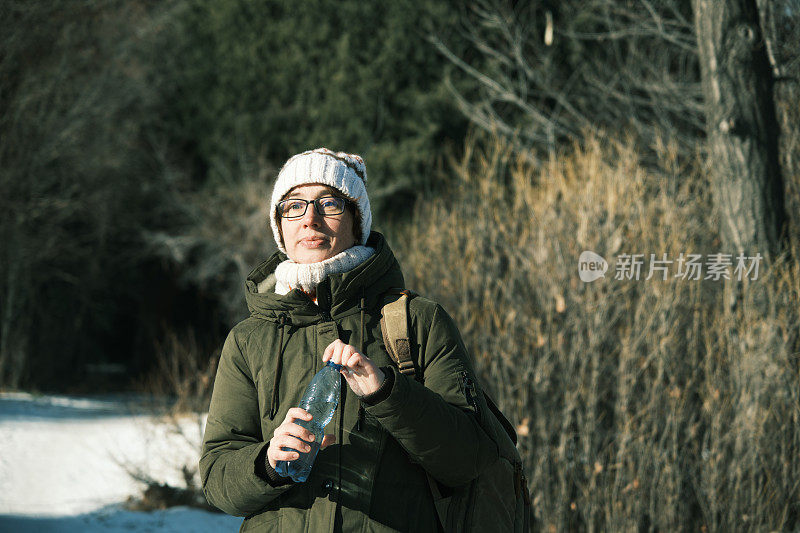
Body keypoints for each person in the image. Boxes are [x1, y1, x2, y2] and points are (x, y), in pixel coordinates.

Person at [200, 148, 499, 532]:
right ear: (280, 226)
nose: (309, 219)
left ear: (357, 221)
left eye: (329, 203)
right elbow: (216, 479)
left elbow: (469, 461)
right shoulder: (248, 340)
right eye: (293, 206)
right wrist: (267, 462)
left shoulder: (418, 322)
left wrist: (388, 394)